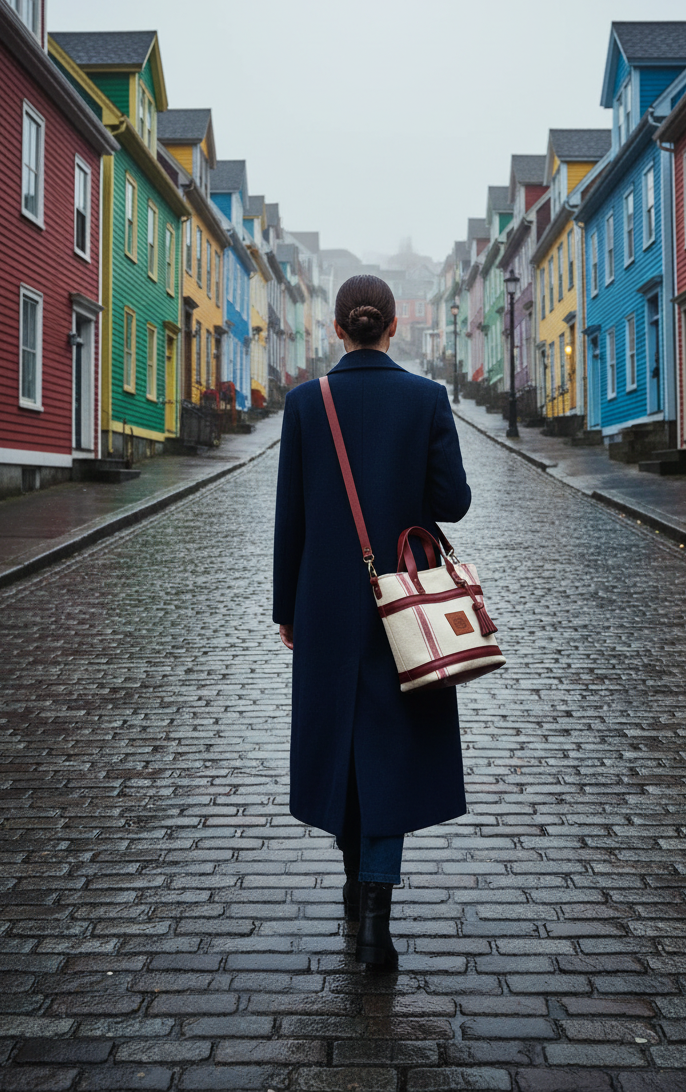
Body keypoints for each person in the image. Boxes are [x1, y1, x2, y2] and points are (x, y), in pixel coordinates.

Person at [273, 275, 471, 969]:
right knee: (390, 749)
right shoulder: (426, 400)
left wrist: (285, 611)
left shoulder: (304, 403)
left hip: (324, 603)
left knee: (339, 744)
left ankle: (355, 885)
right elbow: (453, 502)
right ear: (392, 328)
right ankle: (375, 929)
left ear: (336, 328)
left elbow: (289, 518)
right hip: (404, 605)